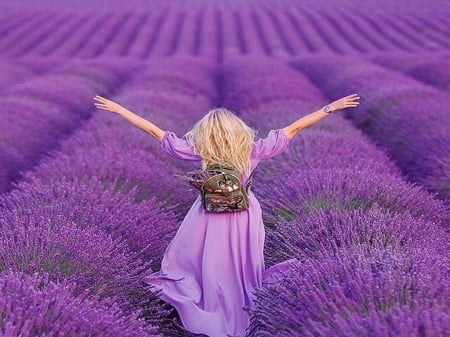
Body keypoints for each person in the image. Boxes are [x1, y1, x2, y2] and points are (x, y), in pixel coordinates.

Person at [93, 93, 360, 337]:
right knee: (242, 262)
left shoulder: (201, 151)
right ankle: (244, 305)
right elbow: (296, 127)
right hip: (244, 214)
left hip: (208, 212)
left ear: (207, 132)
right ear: (237, 131)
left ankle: (208, 301)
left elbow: (155, 132)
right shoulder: (254, 149)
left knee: (205, 259)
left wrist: (120, 110)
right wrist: (330, 108)